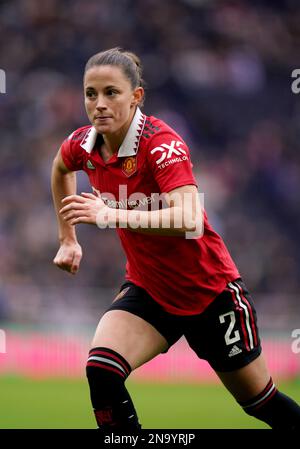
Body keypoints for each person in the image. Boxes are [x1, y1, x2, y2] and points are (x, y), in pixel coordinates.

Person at [51, 47, 300, 430]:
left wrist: (109, 214)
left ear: (136, 97)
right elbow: (60, 165)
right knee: (102, 370)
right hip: (150, 290)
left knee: (260, 402)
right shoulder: (84, 144)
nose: (99, 104)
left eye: (111, 93)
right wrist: (68, 239)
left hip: (211, 293)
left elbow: (189, 218)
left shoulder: (162, 144)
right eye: (90, 93)